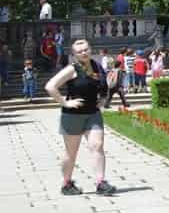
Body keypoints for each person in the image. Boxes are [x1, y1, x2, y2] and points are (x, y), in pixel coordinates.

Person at [43, 38, 115, 196]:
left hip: (93, 114)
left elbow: (103, 86)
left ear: (90, 49)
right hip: (72, 116)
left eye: (86, 49)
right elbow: (50, 86)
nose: (83, 52)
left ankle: (100, 182)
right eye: (79, 51)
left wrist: (103, 100)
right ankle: (67, 183)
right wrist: (64, 102)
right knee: (71, 153)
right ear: (74, 54)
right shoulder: (72, 69)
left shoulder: (97, 67)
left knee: (97, 145)